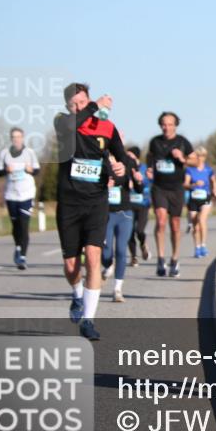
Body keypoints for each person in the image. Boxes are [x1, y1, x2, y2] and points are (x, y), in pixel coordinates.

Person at [54, 83, 136, 340]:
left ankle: (88, 320)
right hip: (69, 204)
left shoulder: (107, 128)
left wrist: (122, 170)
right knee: (71, 266)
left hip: (96, 202)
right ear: (67, 107)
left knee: (93, 257)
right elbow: (73, 124)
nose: (79, 108)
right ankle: (77, 294)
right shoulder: (63, 123)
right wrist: (94, 106)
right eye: (74, 105)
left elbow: (123, 160)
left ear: (88, 99)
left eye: (83, 102)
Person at [147, 111, 194, 278]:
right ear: (160, 125)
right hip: (159, 187)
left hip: (176, 189)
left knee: (175, 224)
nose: (166, 127)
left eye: (170, 124)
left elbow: (195, 160)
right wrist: (150, 168)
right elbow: (150, 157)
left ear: (175, 125)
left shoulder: (182, 142)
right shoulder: (155, 142)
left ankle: (174, 258)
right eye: (164, 124)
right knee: (160, 221)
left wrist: (182, 158)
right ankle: (160, 259)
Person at [0, 127, 41, 270]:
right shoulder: (4, 153)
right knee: (16, 225)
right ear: (11, 139)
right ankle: (18, 246)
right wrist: (6, 170)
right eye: (14, 137)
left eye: (18, 137)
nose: (16, 139)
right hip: (11, 194)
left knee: (24, 225)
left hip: (27, 194)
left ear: (23, 138)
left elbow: (37, 170)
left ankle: (22, 257)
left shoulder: (30, 153)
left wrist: (31, 170)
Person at [101, 148, 144, 302]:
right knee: (106, 251)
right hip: (105, 214)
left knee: (121, 249)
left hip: (125, 213)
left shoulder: (127, 162)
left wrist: (139, 180)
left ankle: (117, 289)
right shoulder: (100, 162)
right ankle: (108, 265)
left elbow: (139, 189)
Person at [184, 147, 216, 258]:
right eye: (198, 156)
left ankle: (203, 245)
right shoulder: (190, 170)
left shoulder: (208, 169)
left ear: (205, 157)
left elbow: (213, 181)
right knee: (195, 225)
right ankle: (197, 247)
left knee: (202, 220)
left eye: (202, 156)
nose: (200, 158)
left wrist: (215, 190)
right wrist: (193, 185)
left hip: (205, 198)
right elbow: (185, 184)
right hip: (193, 199)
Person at [125, 146, 152, 268]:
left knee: (139, 230)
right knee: (129, 231)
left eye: (130, 155)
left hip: (143, 204)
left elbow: (151, 182)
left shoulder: (145, 168)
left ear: (136, 156)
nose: (127, 157)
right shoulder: (125, 167)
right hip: (128, 203)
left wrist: (141, 181)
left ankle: (143, 244)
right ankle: (134, 257)